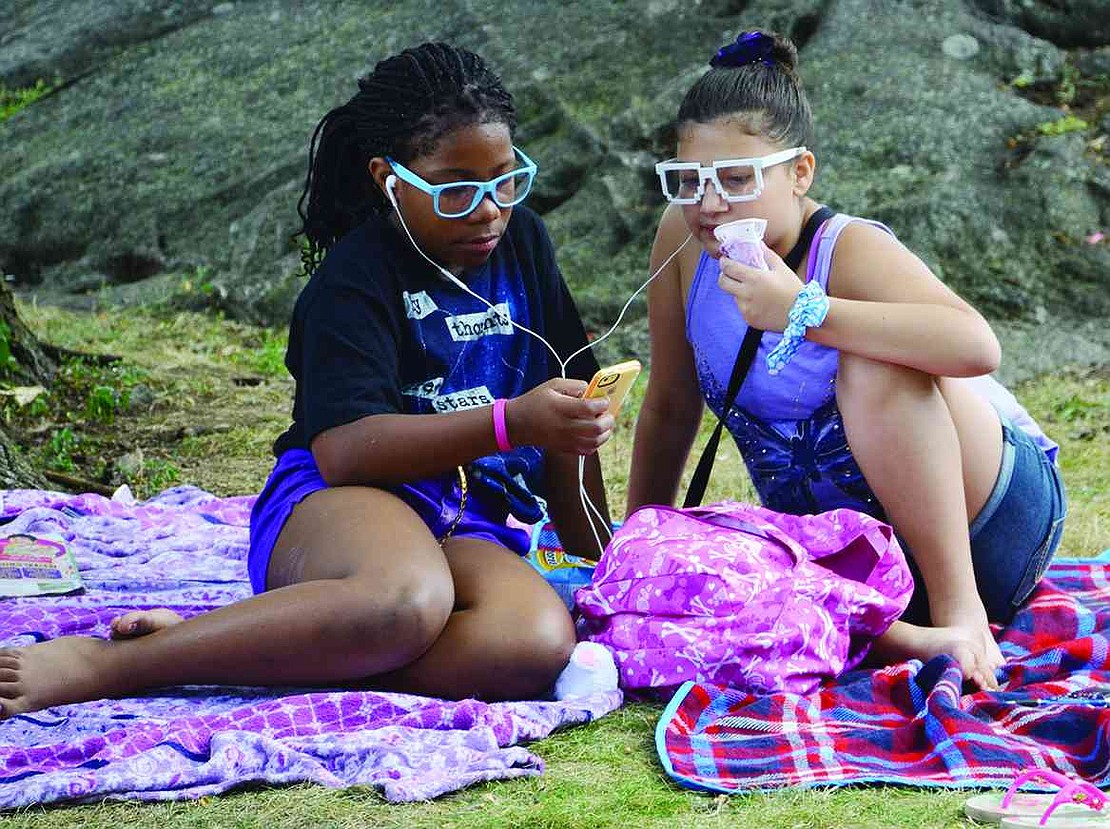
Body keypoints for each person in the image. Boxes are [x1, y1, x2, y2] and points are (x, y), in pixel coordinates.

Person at [0, 41, 614, 717]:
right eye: (457, 187)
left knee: (530, 643)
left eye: (505, 179)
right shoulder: (354, 278)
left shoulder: (525, 243)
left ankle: (263, 653)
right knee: (405, 600)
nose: (489, 208)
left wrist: (610, 575)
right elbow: (344, 450)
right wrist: (510, 422)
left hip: (466, 522)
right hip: (344, 501)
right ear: (391, 178)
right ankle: (121, 664)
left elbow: (567, 423)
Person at [626, 30, 1066, 690]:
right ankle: (910, 637)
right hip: (849, 555)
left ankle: (961, 616)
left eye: (737, 179)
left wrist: (804, 309)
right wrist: (637, 549)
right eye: (689, 181)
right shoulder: (682, 240)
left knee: (873, 356)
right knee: (721, 553)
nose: (711, 204)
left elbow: (977, 346)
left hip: (990, 527)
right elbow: (667, 405)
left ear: (800, 172)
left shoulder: (849, 248)